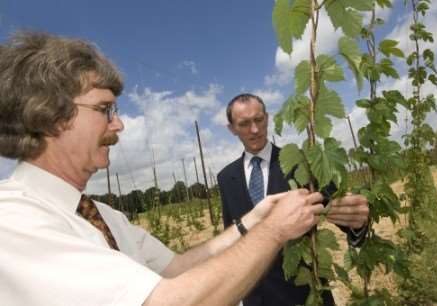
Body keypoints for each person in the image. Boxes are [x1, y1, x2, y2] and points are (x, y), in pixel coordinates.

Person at [0, 31, 333, 306]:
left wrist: (254, 219)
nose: (118, 125)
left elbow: (175, 268)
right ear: (49, 115)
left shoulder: (106, 217)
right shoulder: (13, 219)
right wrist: (273, 229)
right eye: (105, 109)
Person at [217, 93, 369, 306]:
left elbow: (338, 208)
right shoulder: (226, 178)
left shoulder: (301, 162)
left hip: (305, 293)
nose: (254, 129)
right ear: (232, 129)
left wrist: (357, 221)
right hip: (257, 297)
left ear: (267, 118)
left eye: (259, 120)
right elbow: (232, 233)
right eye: (244, 124)